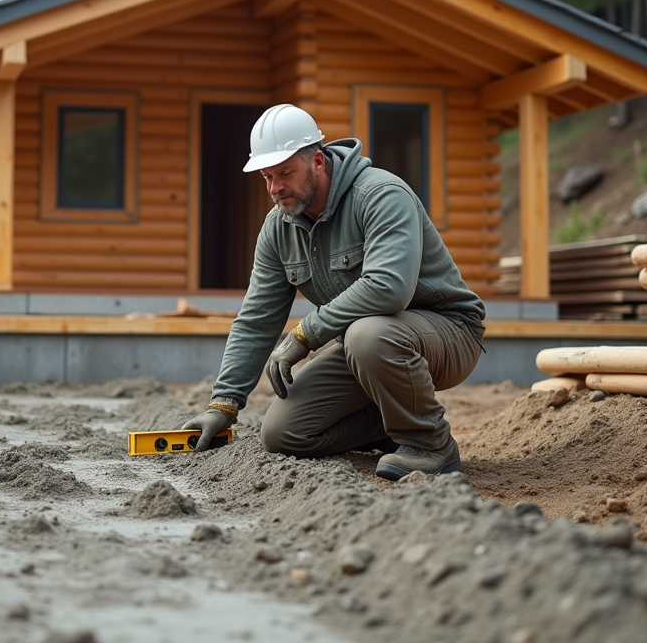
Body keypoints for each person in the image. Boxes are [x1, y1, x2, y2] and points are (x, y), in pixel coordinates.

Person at [183, 104, 486, 479]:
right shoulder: (279, 228)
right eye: (266, 177)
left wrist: (304, 335)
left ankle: (429, 444)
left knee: (368, 334)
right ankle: (389, 423)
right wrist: (223, 404)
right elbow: (256, 318)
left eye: (285, 173)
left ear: (319, 162)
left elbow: (388, 288)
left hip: (447, 332)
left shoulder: (380, 195)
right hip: (368, 345)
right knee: (282, 434)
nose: (275, 188)